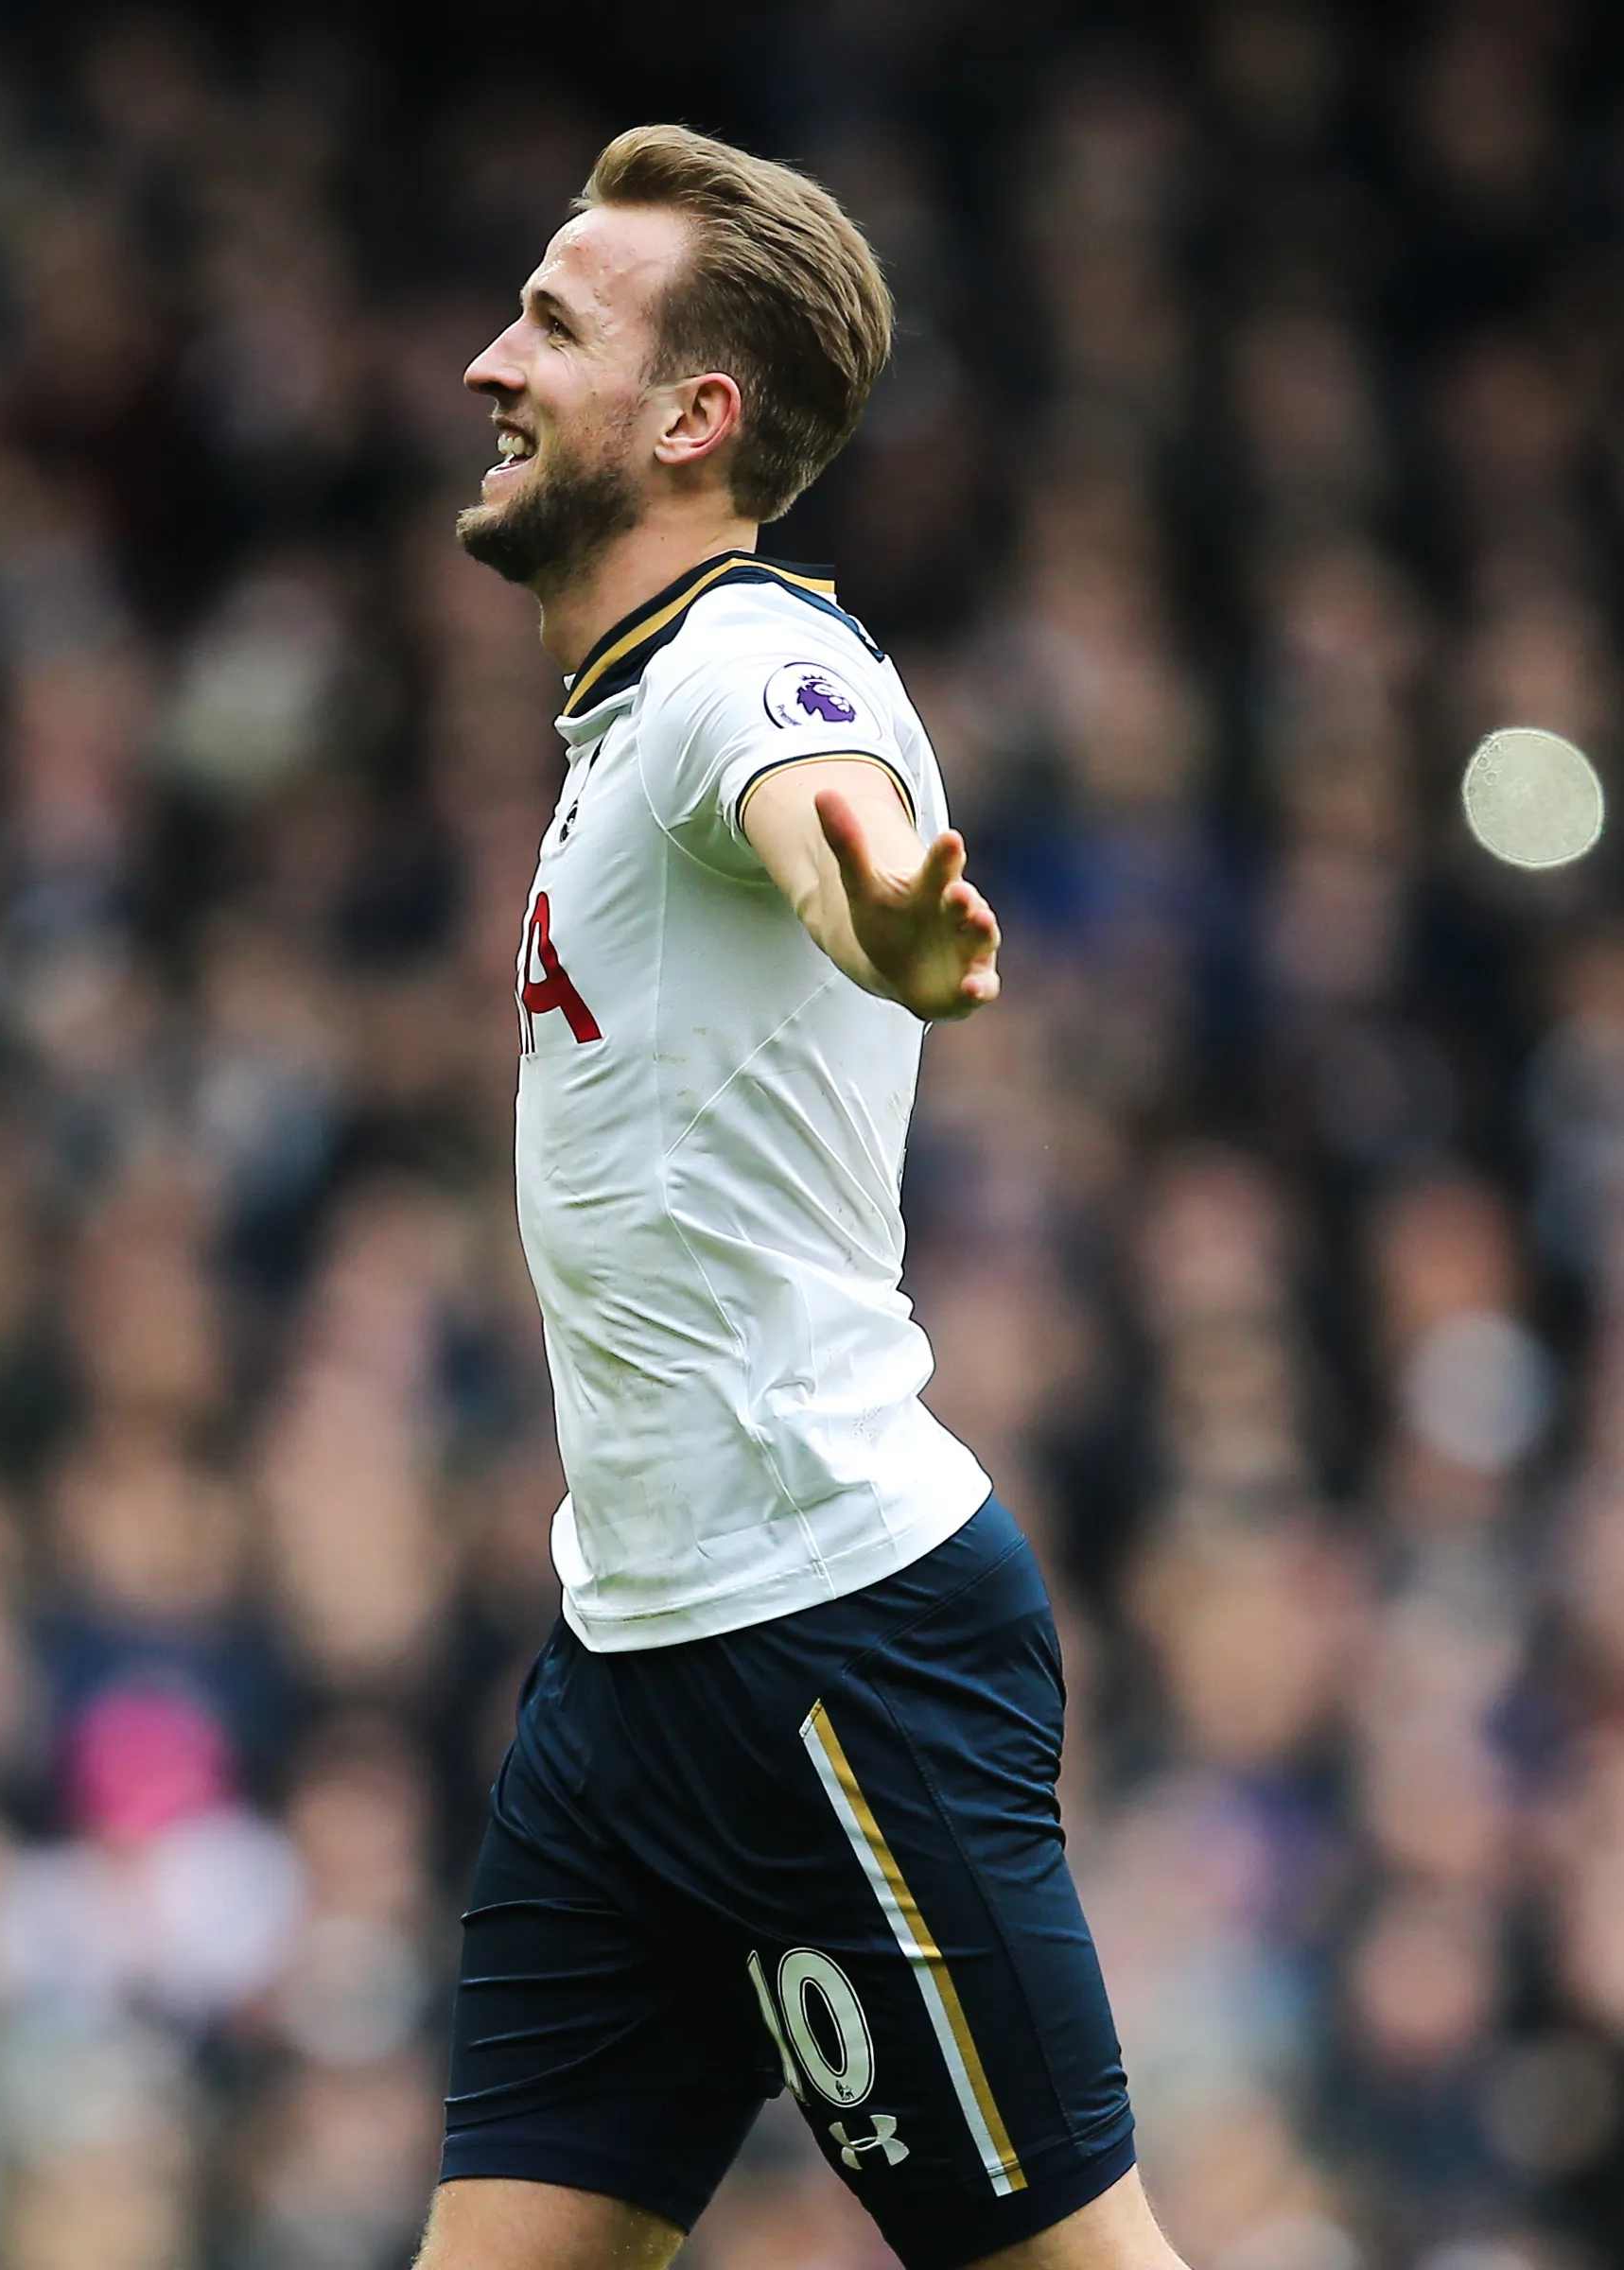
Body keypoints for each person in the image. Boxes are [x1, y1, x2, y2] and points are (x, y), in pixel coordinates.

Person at [423, 127, 1181, 2270]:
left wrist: (883, 921)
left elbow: (829, 808)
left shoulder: (743, 662)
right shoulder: (620, 713)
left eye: (553, 326)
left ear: (694, 420)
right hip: (631, 1661)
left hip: (824, 1645)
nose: (489, 361)